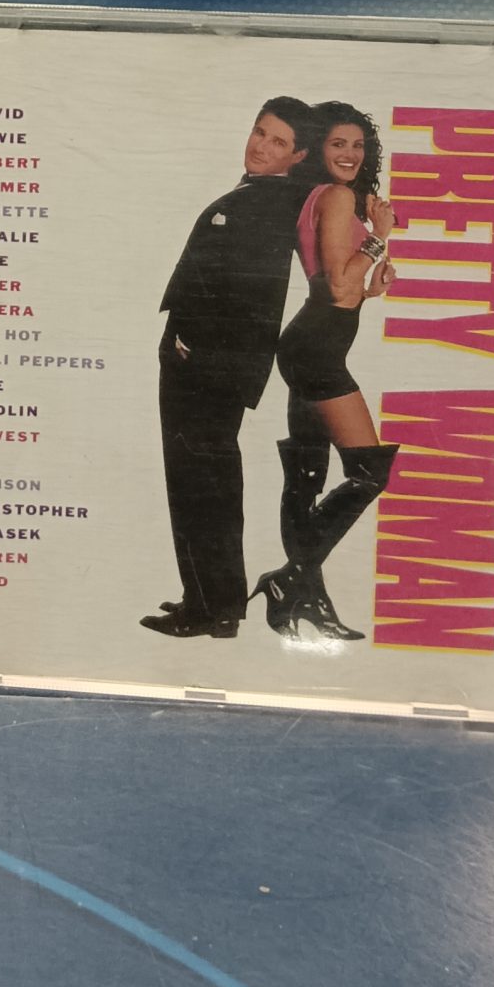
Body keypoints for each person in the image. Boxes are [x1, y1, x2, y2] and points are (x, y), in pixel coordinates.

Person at [142, 98, 313, 641]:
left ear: (298, 156)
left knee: (198, 484)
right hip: (211, 363)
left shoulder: (269, 202)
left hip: (205, 366)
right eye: (260, 132)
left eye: (278, 141)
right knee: (207, 483)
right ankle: (214, 601)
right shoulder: (264, 196)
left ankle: (208, 607)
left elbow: (246, 295)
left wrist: (192, 345)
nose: (261, 146)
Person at [253, 101, 399, 642]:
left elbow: (339, 285)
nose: (350, 154)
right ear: (318, 150)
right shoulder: (337, 198)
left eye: (359, 145)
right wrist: (379, 236)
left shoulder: (318, 196)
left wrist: (371, 287)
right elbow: (338, 285)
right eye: (339, 144)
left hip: (310, 342)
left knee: (306, 478)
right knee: (369, 473)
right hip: (317, 351)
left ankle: (305, 600)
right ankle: (289, 578)